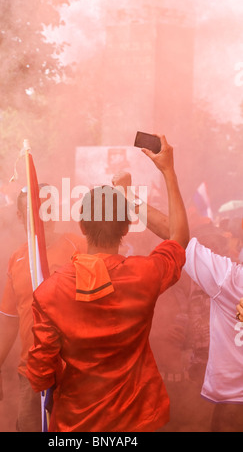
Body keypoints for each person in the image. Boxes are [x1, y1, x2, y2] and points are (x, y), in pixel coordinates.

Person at [26, 135, 189, 432]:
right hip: (137, 422)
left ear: (82, 225)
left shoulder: (50, 292)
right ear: (127, 226)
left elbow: (39, 372)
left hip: (75, 424)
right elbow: (178, 238)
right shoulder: (146, 274)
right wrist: (168, 171)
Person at [0, 185, 86, 432]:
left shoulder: (78, 246)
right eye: (35, 211)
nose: (44, 217)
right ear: (20, 217)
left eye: (48, 209)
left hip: (77, 371)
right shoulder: (17, 258)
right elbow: (9, 319)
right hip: (31, 372)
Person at [141, 193, 243, 431]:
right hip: (202, 386)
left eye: (219, 243)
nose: (217, 248)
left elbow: (178, 239)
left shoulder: (228, 281)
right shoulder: (223, 280)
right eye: (211, 244)